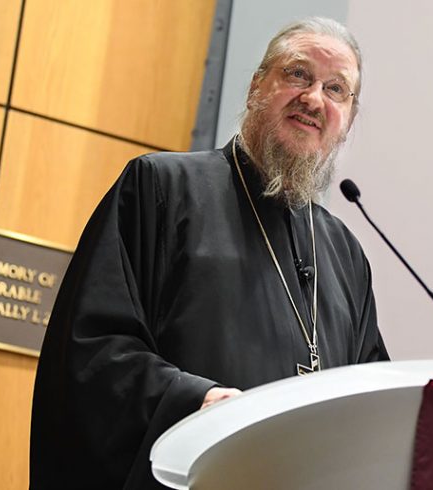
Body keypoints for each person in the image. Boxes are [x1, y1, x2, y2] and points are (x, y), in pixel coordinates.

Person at [29, 17, 388, 490]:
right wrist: (198, 404)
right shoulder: (160, 188)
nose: (314, 98)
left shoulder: (345, 255)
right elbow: (91, 352)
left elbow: (373, 409)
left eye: (336, 89)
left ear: (348, 121)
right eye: (298, 74)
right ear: (257, 86)